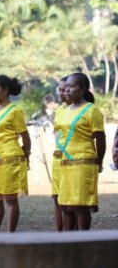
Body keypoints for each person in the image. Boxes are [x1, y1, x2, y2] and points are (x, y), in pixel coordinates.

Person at [58, 72, 106, 230]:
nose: (67, 90)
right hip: (66, 163)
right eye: (66, 87)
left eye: (71, 86)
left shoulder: (91, 110)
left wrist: (99, 161)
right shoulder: (66, 110)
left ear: (83, 89)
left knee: (81, 206)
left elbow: (100, 138)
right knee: (66, 205)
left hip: (84, 163)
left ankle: (82, 242)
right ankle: (68, 243)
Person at [0, 75, 30, 232]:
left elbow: (25, 136)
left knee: (10, 199)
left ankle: (10, 235)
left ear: (5, 90)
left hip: (12, 158)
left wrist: (27, 155)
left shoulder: (15, 111)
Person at [52, 76, 70, 231]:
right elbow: (56, 132)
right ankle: (58, 235)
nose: (62, 92)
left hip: (73, 159)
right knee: (56, 199)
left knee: (70, 201)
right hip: (58, 158)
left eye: (65, 89)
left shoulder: (83, 109)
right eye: (60, 89)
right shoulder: (58, 110)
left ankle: (73, 234)